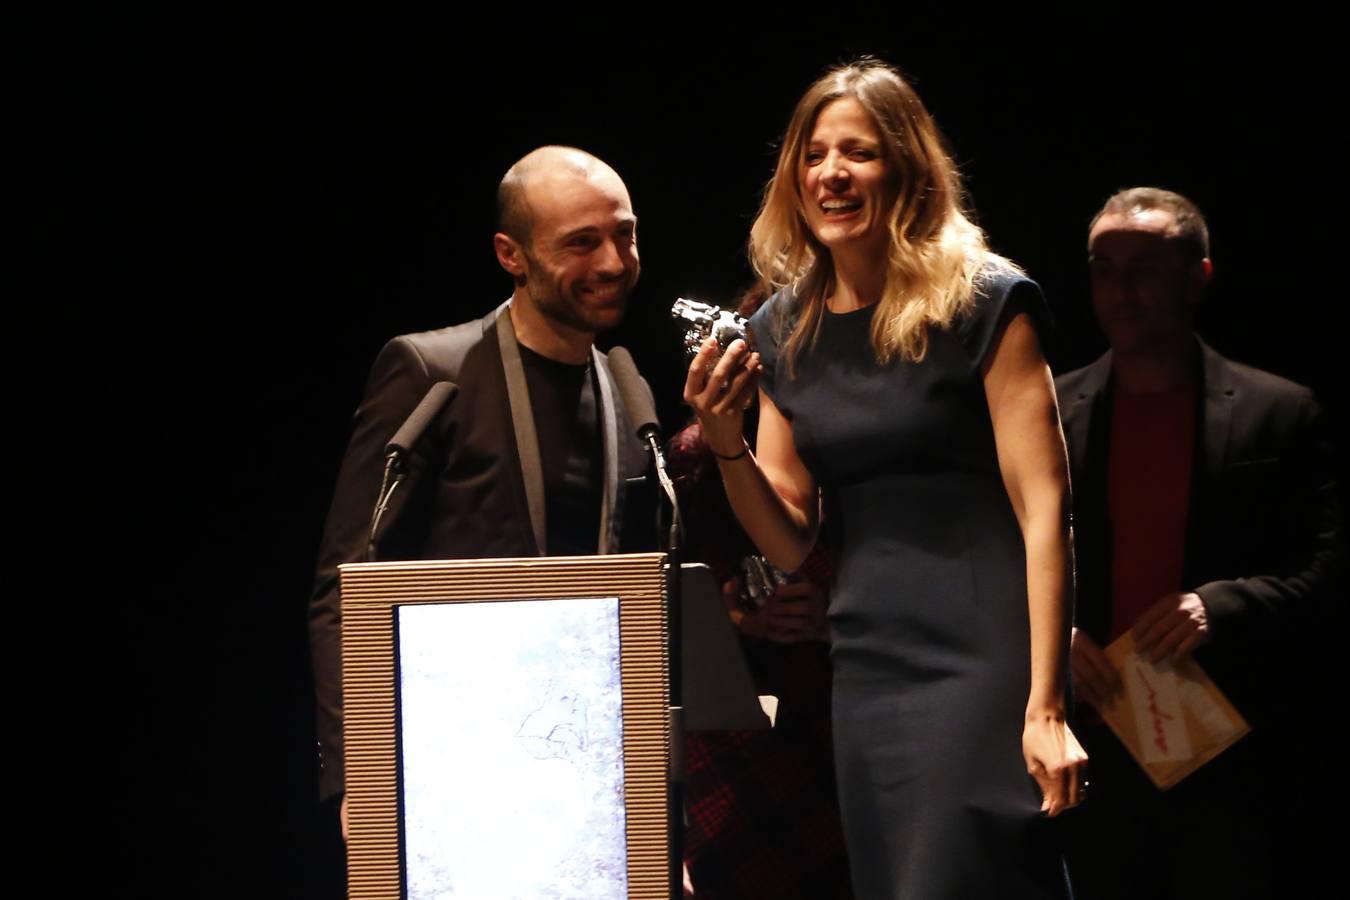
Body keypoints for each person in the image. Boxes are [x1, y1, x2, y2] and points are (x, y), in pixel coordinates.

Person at [684, 59, 1085, 898]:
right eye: (814, 154)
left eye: (858, 153)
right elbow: (791, 539)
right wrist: (727, 444)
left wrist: (1046, 705)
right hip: (868, 664)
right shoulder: (780, 328)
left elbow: (1047, 513)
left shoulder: (983, 301)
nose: (832, 174)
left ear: (906, 169)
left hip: (984, 658)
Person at [307, 145, 650, 842]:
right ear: (511, 254)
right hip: (451, 752)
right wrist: (361, 772)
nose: (614, 262)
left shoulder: (622, 386)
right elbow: (346, 586)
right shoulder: (432, 373)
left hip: (583, 756)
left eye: (625, 233)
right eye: (582, 243)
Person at [1056, 187, 1345, 899]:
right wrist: (1051, 637)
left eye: (1145, 268)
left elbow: (1332, 566)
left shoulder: (1279, 410)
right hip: (1088, 739)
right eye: (1103, 267)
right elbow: (994, 558)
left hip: (1228, 746)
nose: (1120, 289)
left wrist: (1225, 605)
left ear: (1197, 278)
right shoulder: (1051, 410)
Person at [669, 287, 852, 900]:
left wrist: (831, 617)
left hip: (843, 715)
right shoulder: (695, 455)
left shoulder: (862, 440)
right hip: (735, 740)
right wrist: (729, 612)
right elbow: (667, 595)